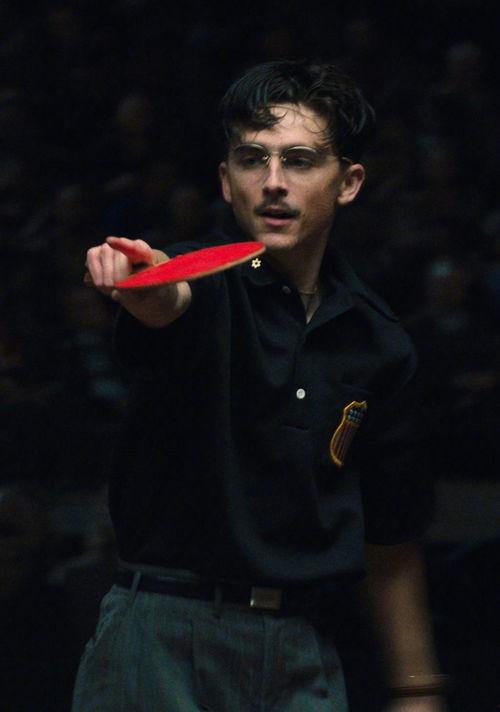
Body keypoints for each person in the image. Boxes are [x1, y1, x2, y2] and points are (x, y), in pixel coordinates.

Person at [73, 60, 448, 712]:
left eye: (299, 160)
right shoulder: (200, 282)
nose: (273, 182)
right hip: (160, 633)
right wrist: (144, 284)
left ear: (349, 182)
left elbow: (391, 535)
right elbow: (167, 298)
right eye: (252, 160)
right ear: (226, 180)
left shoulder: (381, 343)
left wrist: (417, 689)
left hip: (301, 647)